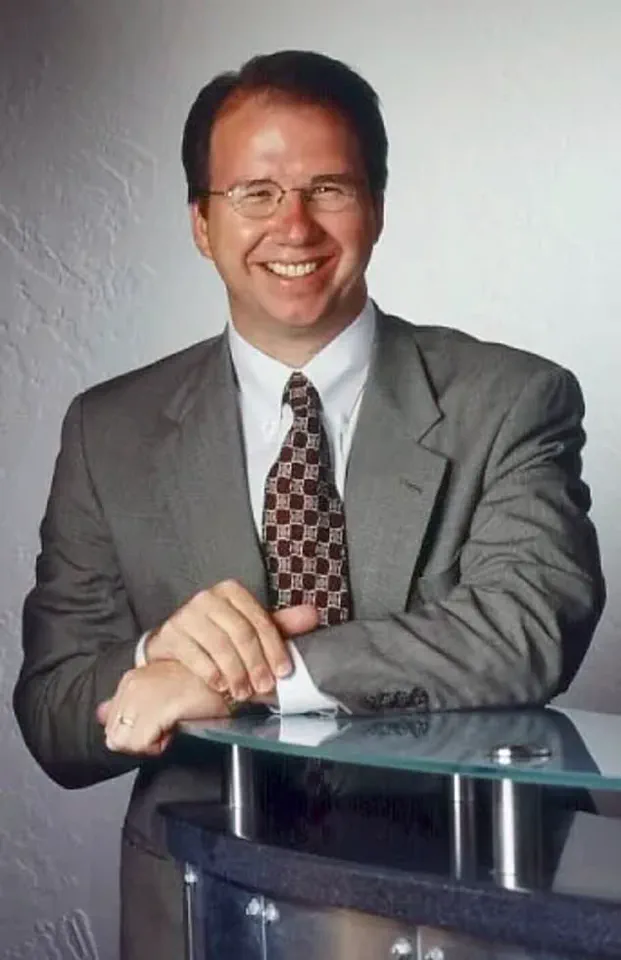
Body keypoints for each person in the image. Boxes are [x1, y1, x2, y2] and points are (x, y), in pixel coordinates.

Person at [13, 50, 605, 959]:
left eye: (327, 188)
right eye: (254, 192)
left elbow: (522, 629)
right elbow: (55, 714)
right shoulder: (109, 430)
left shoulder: (510, 399)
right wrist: (157, 655)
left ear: (375, 208)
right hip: (196, 906)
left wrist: (245, 674)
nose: (292, 225)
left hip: (468, 904)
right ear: (201, 223)